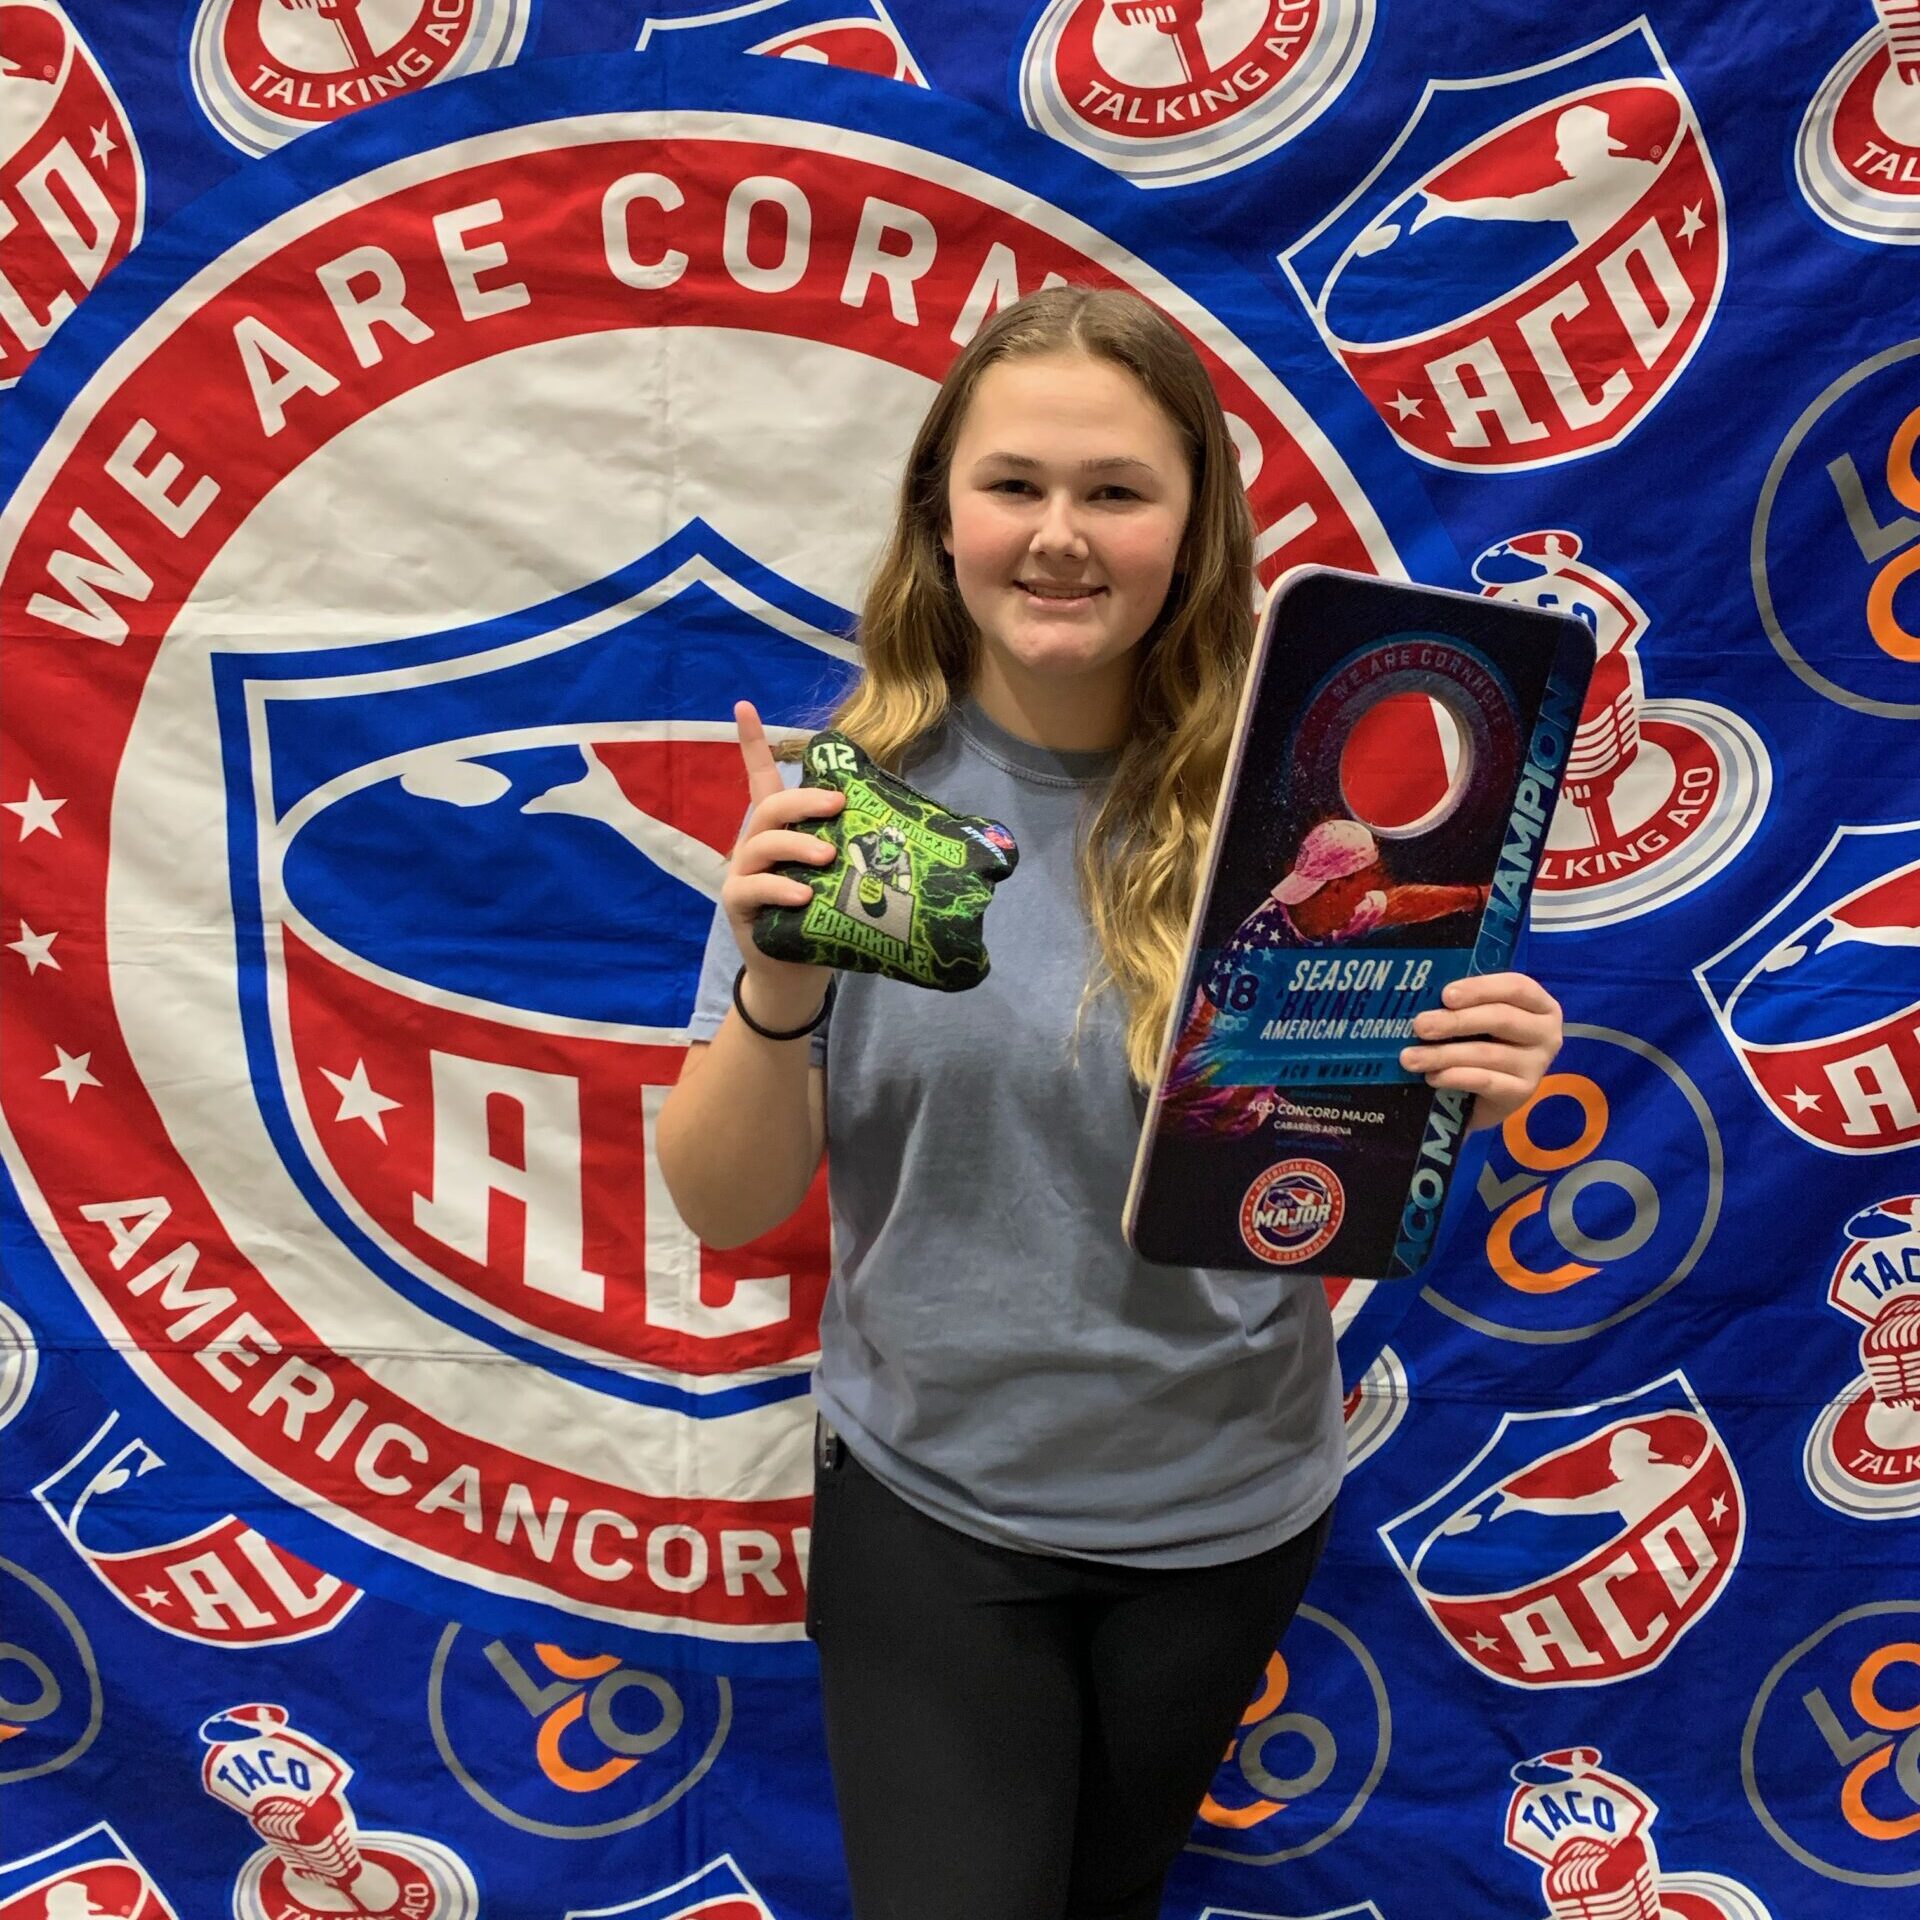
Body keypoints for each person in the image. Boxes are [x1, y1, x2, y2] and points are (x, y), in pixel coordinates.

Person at [654, 285, 1563, 1920]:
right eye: (1016, 485)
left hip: (1226, 1511)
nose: (1060, 536)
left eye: (1116, 491)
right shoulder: (854, 808)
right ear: (942, 516)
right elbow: (723, 1208)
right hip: (935, 1507)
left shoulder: (1316, 815)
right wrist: (776, 981)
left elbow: (1351, 1181)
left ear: (1194, 528)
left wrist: (1460, 1086)